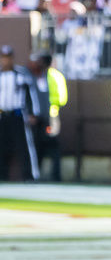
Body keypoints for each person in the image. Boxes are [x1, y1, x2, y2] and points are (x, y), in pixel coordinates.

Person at [0, 43, 40, 181]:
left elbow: (30, 94)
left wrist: (33, 112)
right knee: (2, 147)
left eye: (8, 57)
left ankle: (29, 175)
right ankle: (2, 176)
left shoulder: (21, 74)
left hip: (17, 115)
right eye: (3, 57)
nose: (5, 61)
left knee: (23, 146)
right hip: (1, 114)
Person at [29, 51, 66, 182]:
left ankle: (49, 176)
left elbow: (60, 98)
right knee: (43, 146)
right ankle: (43, 175)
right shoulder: (42, 75)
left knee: (48, 146)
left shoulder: (49, 76)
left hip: (49, 116)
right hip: (45, 116)